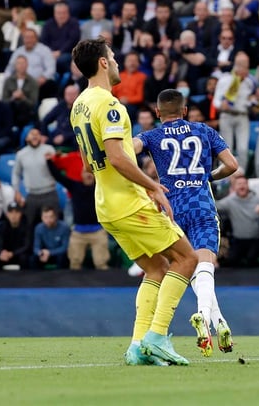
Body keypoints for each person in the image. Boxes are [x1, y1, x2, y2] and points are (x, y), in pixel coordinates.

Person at [70, 38, 198, 366]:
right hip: (129, 202)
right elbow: (116, 157)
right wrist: (153, 186)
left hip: (106, 205)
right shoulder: (110, 105)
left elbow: (88, 163)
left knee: (156, 268)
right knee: (187, 258)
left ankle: (138, 345)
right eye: (111, 57)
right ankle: (157, 336)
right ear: (102, 63)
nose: (115, 62)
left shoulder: (79, 105)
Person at [134, 87, 239, 355]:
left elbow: (128, 149)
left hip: (172, 211)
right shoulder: (204, 131)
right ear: (185, 111)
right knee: (205, 266)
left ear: (157, 112)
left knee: (188, 266)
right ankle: (205, 316)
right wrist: (208, 177)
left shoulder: (152, 135)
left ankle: (219, 321)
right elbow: (232, 165)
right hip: (202, 206)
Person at [47, 155, 108, 270]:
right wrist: (48, 161)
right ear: (81, 175)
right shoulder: (75, 186)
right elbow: (58, 176)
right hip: (78, 233)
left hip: (98, 231)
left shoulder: (101, 187)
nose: (88, 175)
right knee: (74, 264)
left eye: (90, 172)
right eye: (85, 172)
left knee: (101, 264)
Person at [215, 175, 259, 267]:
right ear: (234, 187)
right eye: (239, 184)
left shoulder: (258, 200)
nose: (242, 186)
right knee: (231, 261)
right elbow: (215, 206)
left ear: (248, 185)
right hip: (239, 240)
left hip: (256, 239)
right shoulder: (230, 201)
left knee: (251, 261)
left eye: (244, 183)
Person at [0, 203, 30, 271]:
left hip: (18, 255)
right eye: (11, 212)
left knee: (25, 258)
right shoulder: (2, 226)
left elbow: (26, 246)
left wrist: (12, 254)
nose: (14, 215)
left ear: (20, 214)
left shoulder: (26, 227)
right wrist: (1, 252)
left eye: (16, 212)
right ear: (7, 214)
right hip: (6, 255)